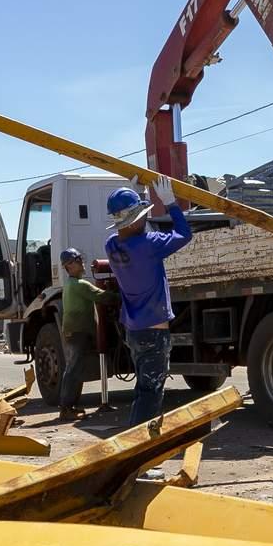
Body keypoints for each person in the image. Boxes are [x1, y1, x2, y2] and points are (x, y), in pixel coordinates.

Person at [105, 174, 191, 425]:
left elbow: (132, 230)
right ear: (133, 220)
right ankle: (140, 451)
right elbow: (184, 234)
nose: (145, 218)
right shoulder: (150, 244)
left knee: (143, 390)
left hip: (135, 332)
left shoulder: (111, 245)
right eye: (141, 215)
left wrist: (136, 197)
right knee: (151, 395)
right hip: (154, 334)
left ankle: (136, 444)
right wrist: (172, 203)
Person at [56, 247, 119, 419]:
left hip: (73, 331)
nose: (82, 263)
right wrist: (122, 295)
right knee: (73, 370)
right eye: (77, 261)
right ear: (69, 266)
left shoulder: (69, 284)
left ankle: (68, 407)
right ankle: (66, 408)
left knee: (73, 369)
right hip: (77, 332)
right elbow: (102, 297)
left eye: (80, 260)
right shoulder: (79, 285)